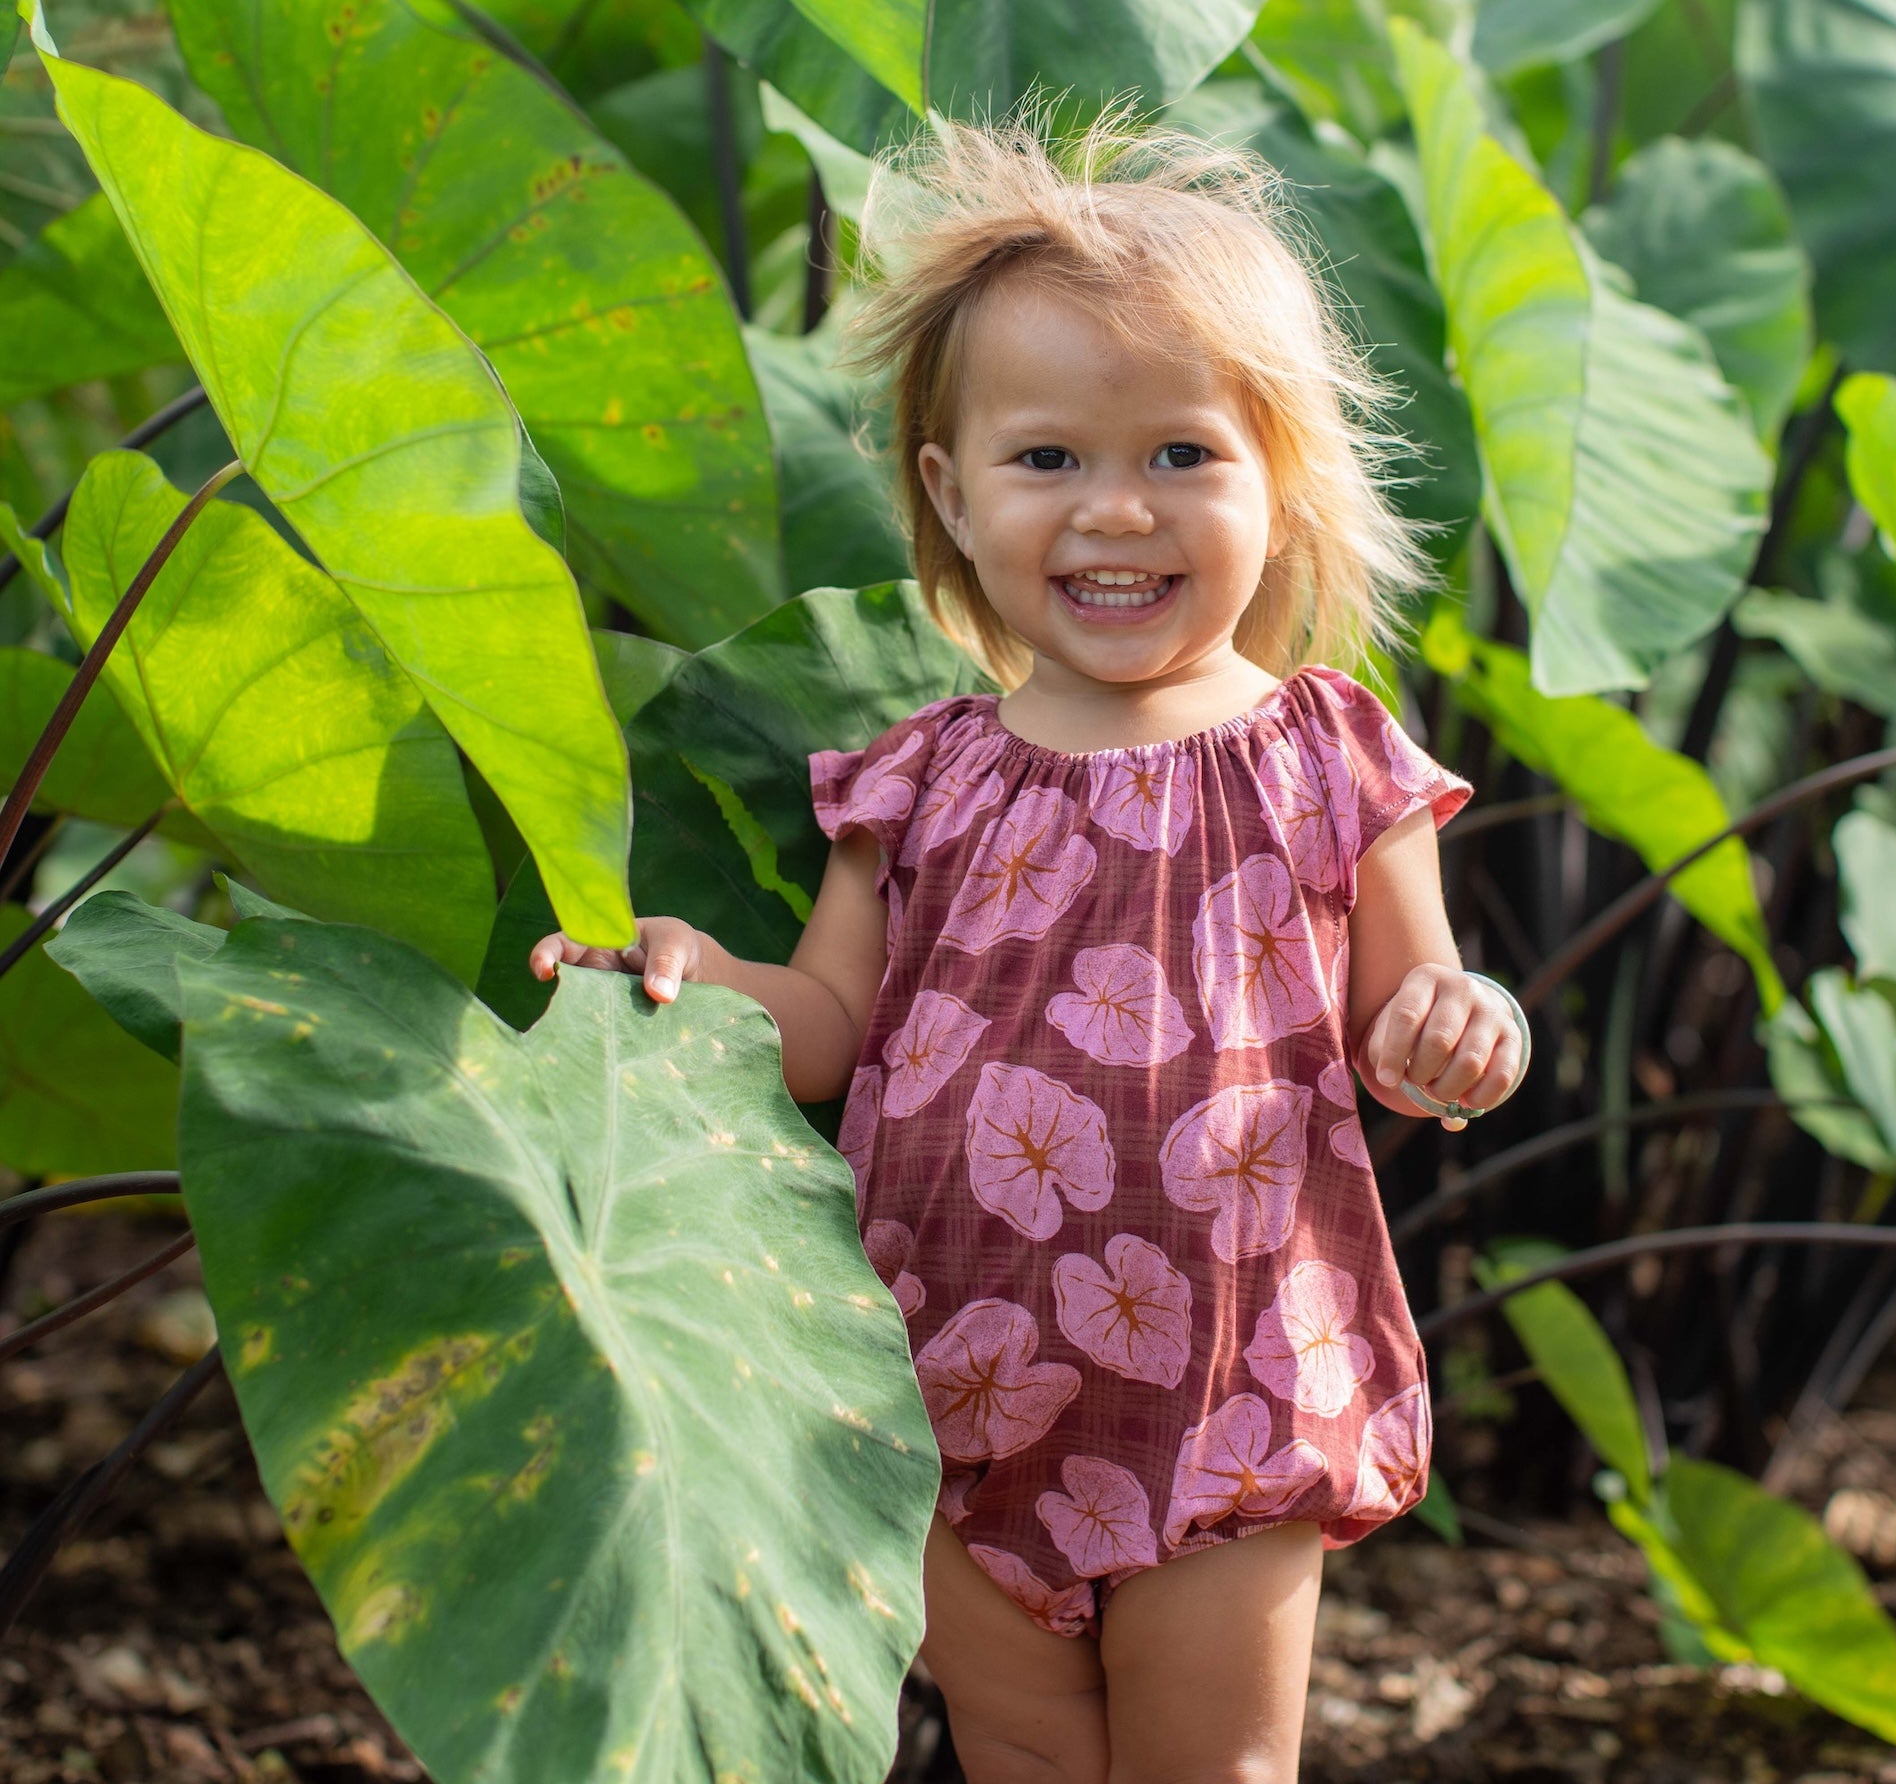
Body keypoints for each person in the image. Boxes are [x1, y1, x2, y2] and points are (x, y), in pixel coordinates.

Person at [531, 115, 1530, 1784]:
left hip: (1228, 1371)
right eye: (1048, 460)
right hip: (939, 1371)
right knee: (1021, 1750)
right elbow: (831, 1026)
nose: (1113, 512)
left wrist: (1464, 1019)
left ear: (1278, 480)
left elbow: (1413, 1008)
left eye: (1182, 457)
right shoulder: (918, 778)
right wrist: (697, 979)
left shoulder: (1331, 754)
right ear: (949, 490)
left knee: (1214, 1766)